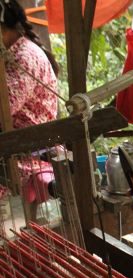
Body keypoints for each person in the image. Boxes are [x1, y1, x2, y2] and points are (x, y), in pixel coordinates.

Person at [1, 0, 60, 221]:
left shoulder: (24, 57)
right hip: (17, 147)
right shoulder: (11, 53)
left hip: (28, 154)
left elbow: (3, 111)